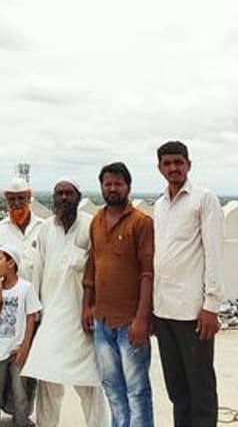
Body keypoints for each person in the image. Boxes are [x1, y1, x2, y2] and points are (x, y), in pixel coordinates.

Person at [22, 178, 107, 427]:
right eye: (59, 193)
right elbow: (37, 269)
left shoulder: (91, 226)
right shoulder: (46, 229)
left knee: (89, 383)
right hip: (52, 318)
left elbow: (99, 270)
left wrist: (94, 308)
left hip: (81, 319)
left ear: (78, 197)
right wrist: (35, 315)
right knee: (48, 380)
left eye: (69, 193)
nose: (63, 198)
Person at [152, 141, 224, 427]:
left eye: (178, 162)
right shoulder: (159, 205)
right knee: (177, 390)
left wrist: (211, 306)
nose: (173, 168)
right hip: (164, 311)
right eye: (167, 163)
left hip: (193, 313)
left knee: (201, 389)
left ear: (188, 165)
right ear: (160, 168)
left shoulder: (204, 199)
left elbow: (214, 253)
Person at [83, 162, 154, 427]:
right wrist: (86, 306)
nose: (112, 188)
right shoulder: (97, 221)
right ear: (102, 186)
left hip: (130, 322)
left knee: (136, 390)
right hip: (102, 321)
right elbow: (92, 264)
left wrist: (142, 318)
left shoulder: (141, 223)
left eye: (118, 183)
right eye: (107, 183)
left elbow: (148, 273)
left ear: (128, 187)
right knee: (112, 387)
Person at [0, 244, 41, 427]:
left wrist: (25, 346)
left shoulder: (26, 288)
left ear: (11, 263)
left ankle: (22, 422)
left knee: (20, 393)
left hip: (16, 350)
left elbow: (32, 318)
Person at [0, 178, 44, 286]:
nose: (16, 203)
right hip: (7, 300)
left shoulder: (43, 228)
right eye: (12, 199)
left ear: (29, 198)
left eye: (21, 198)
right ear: (6, 201)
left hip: (37, 298)